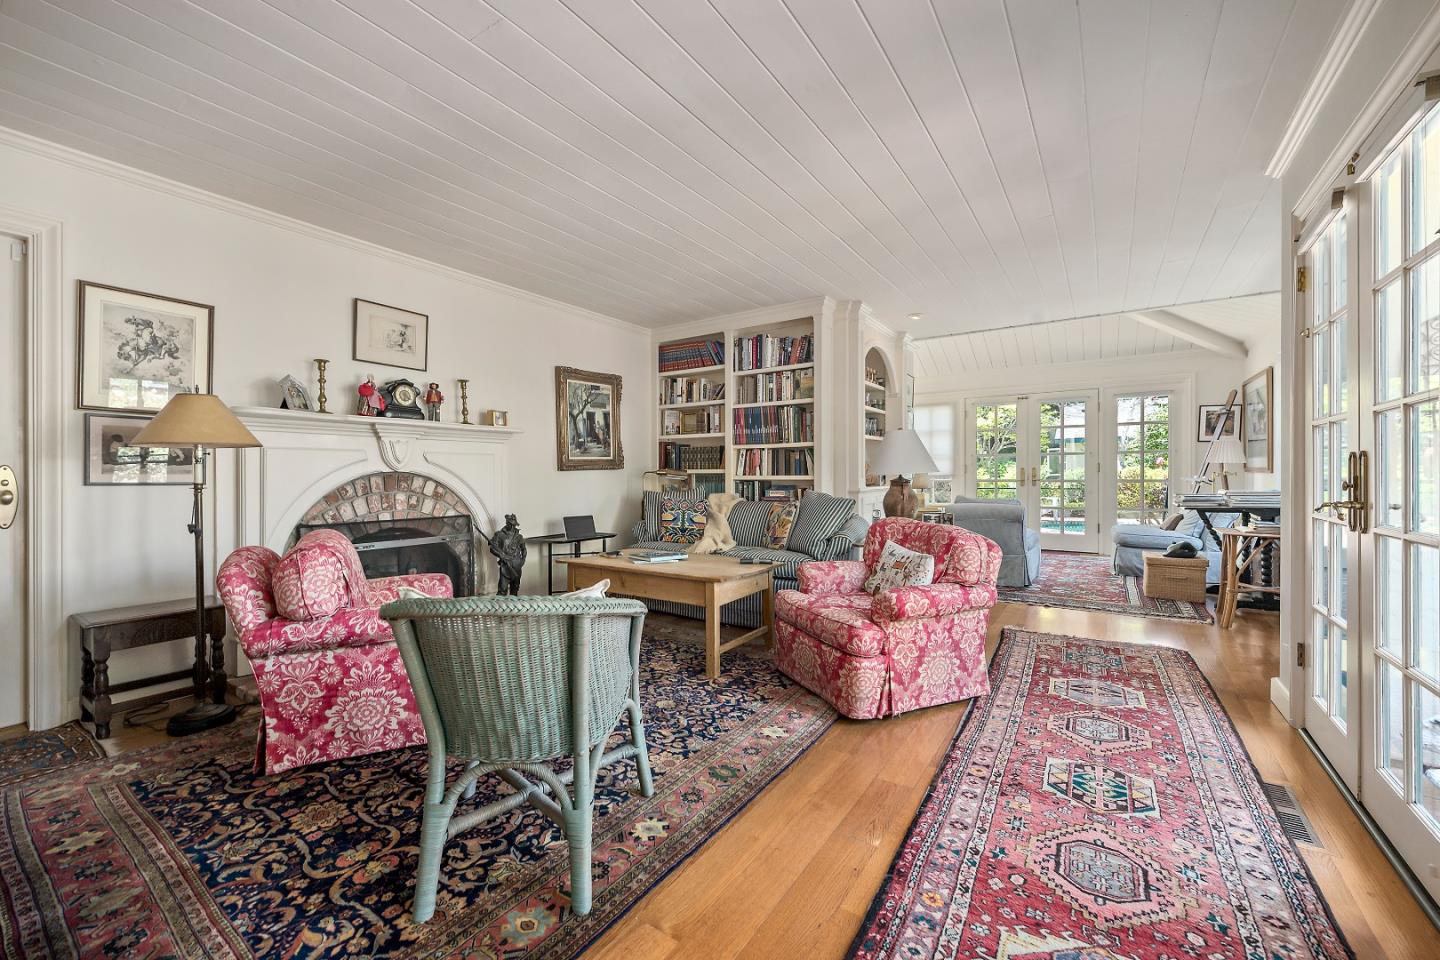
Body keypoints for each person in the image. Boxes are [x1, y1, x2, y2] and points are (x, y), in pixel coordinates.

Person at [490, 514, 526, 596]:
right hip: (505, 566)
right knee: (502, 590)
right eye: (511, 524)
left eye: (514, 525)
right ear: (507, 523)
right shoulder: (499, 535)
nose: (513, 527)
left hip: (516, 565)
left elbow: (524, 549)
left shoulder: (519, 537)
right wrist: (501, 555)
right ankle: (501, 608)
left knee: (515, 590)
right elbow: (492, 548)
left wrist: (522, 560)